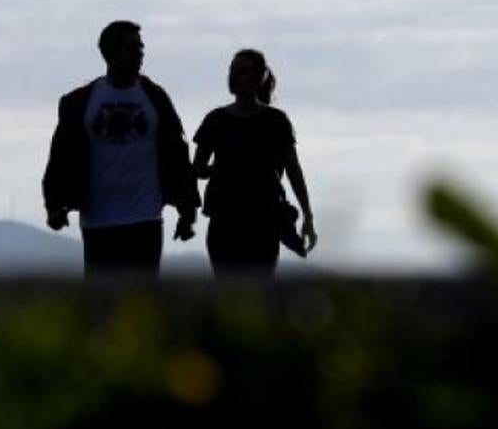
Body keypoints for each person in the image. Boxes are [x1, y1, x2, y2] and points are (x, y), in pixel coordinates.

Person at [42, 20, 199, 276]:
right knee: (102, 303)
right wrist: (54, 205)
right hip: (98, 221)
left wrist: (188, 211)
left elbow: (178, 154)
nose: (140, 54)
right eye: (132, 48)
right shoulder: (80, 103)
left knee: (144, 301)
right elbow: (60, 157)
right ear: (111, 52)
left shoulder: (155, 97)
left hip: (146, 219)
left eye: (141, 48)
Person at [192, 49, 316, 277]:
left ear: (259, 78)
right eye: (232, 71)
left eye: (242, 72)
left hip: (264, 222)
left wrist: (308, 216)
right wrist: (217, 170)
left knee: (259, 294)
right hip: (225, 222)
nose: (234, 77)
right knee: (227, 292)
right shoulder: (215, 120)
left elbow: (293, 170)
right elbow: (197, 168)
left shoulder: (276, 122)